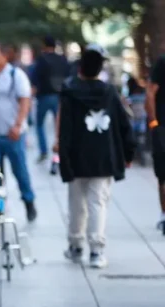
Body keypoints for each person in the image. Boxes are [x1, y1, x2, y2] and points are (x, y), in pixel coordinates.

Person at [55, 44, 136, 268]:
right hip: (104, 155)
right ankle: (97, 250)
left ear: (80, 67)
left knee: (76, 204)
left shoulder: (69, 91)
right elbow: (123, 124)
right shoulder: (109, 92)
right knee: (97, 203)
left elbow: (65, 129)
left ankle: (75, 245)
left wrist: (63, 157)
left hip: (76, 155)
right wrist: (128, 152)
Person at [0, 42, 38, 222]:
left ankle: (29, 201)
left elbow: (25, 101)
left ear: (5, 56)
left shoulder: (16, 75)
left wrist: (18, 125)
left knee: (20, 172)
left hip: (12, 135)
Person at [32, 36, 70, 162]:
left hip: (44, 96)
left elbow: (35, 78)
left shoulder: (41, 59)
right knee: (60, 125)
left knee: (39, 125)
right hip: (60, 96)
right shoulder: (62, 59)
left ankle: (43, 151)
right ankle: (60, 148)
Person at [146, 45, 165, 231]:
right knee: (162, 174)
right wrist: (153, 121)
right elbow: (150, 91)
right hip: (162, 125)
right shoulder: (162, 62)